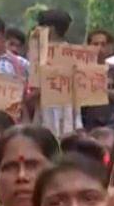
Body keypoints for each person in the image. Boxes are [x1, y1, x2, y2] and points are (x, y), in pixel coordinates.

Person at [35, 8, 84, 137]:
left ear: (51, 29)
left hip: (67, 111)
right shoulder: (37, 54)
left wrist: (78, 123)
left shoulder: (73, 55)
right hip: (44, 111)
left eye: (42, 26)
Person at [82, 28, 114, 130]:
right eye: (95, 44)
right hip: (88, 122)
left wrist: (103, 91)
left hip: (113, 122)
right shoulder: (81, 70)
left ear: (109, 48)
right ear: (88, 46)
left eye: (103, 44)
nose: (99, 48)